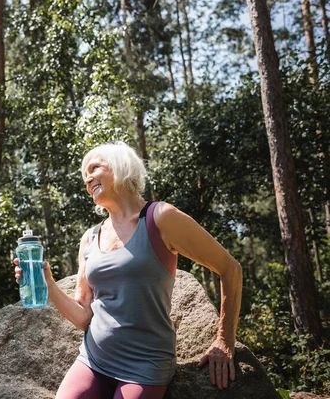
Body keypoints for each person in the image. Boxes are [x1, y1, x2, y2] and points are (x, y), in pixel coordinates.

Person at [13, 142, 243, 399]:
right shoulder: (90, 238)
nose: (87, 179)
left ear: (120, 166)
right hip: (93, 360)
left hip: (145, 365)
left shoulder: (160, 217)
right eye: (84, 176)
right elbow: (83, 317)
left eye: (94, 168)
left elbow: (230, 268)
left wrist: (224, 340)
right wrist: (48, 284)